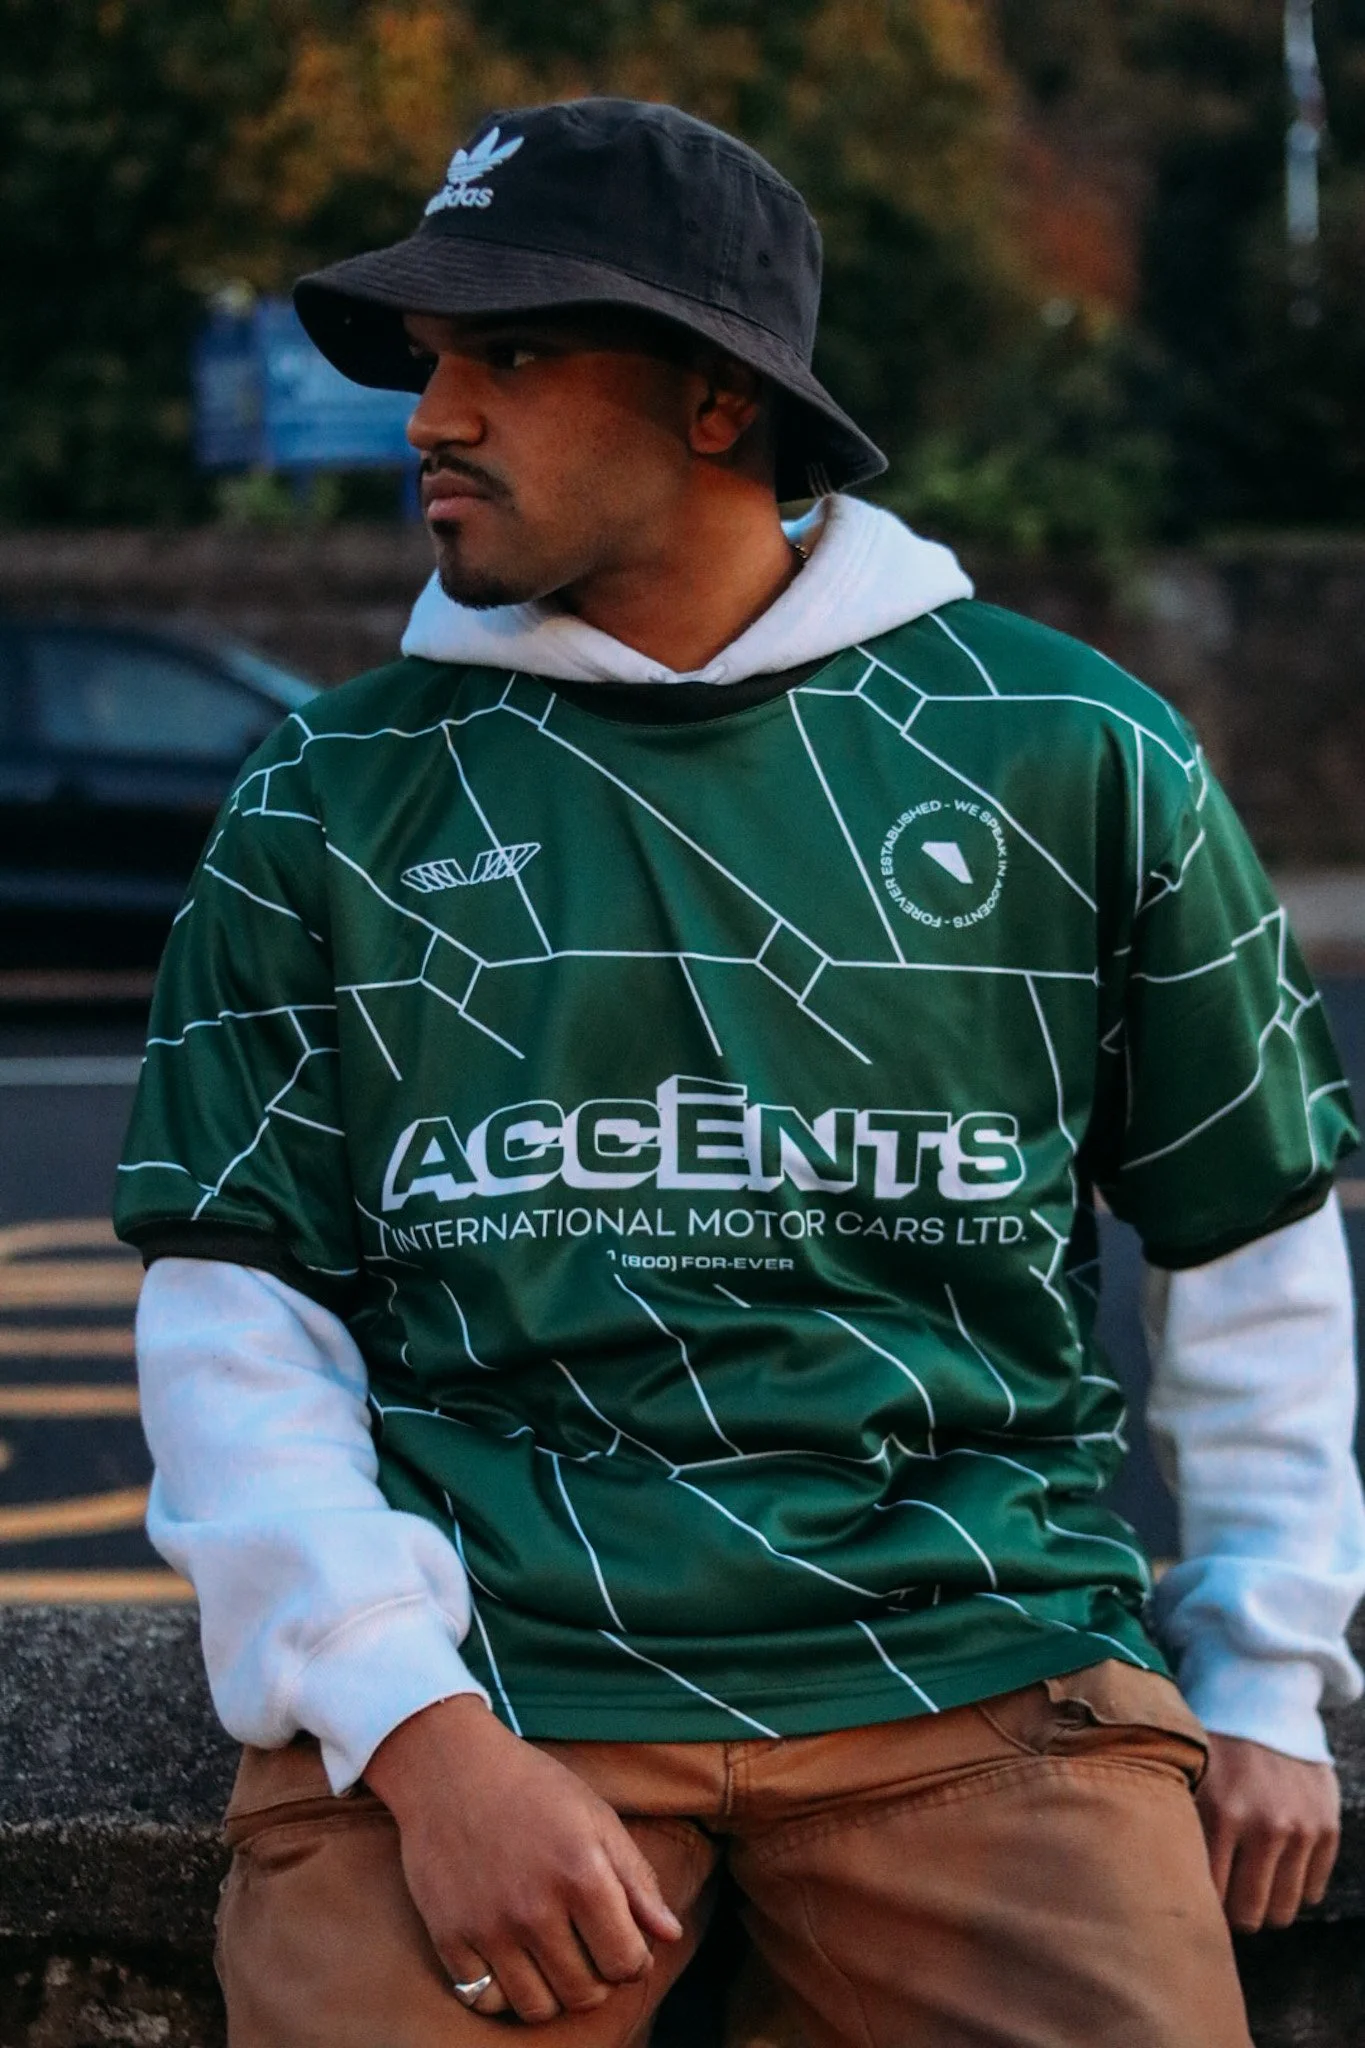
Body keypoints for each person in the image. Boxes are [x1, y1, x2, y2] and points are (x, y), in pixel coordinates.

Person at [115, 99, 1365, 2048]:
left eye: (510, 353)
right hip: (498, 1679)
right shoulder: (331, 787)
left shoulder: (1071, 747)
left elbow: (1247, 1239)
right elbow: (232, 1316)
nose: (431, 414)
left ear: (720, 401)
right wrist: (416, 1733)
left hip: (980, 1669)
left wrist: (1269, 1669)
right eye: (428, 359)